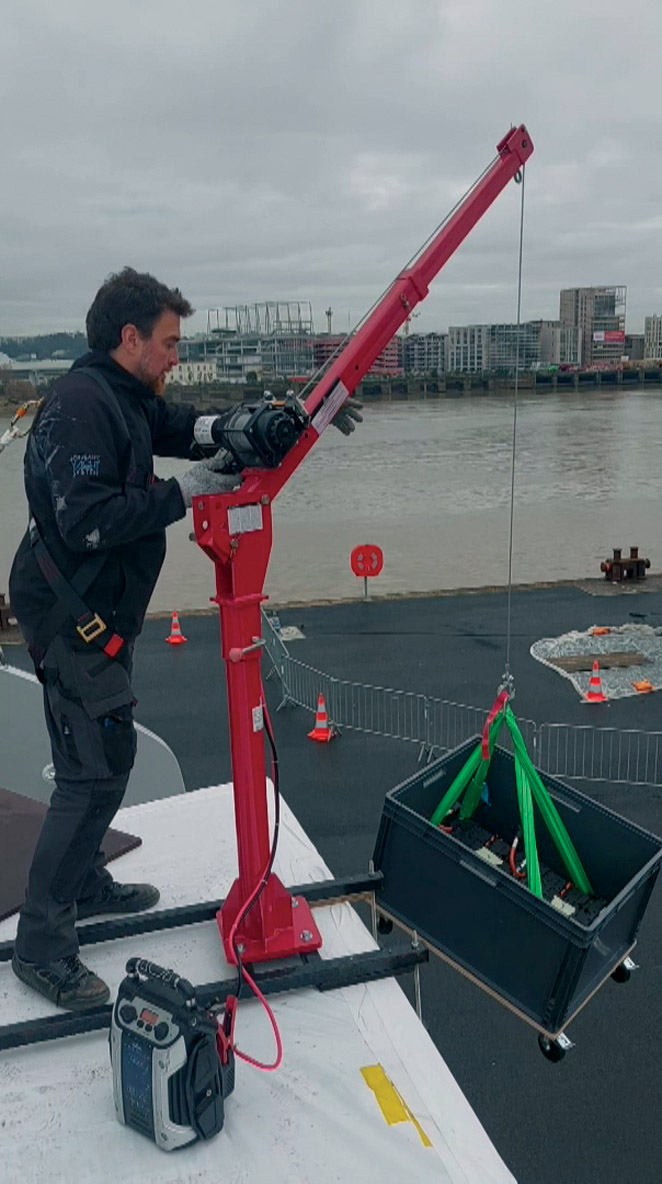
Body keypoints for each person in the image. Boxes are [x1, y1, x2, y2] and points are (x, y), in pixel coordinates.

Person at [8, 267, 362, 1011]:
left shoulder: (126, 397)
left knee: (105, 755)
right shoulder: (80, 406)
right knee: (95, 769)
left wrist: (277, 422)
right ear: (129, 337)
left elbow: (186, 428)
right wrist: (186, 492)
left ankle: (83, 884)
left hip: (93, 614)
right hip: (72, 618)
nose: (176, 357)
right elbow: (88, 520)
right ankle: (42, 944)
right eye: (169, 343)